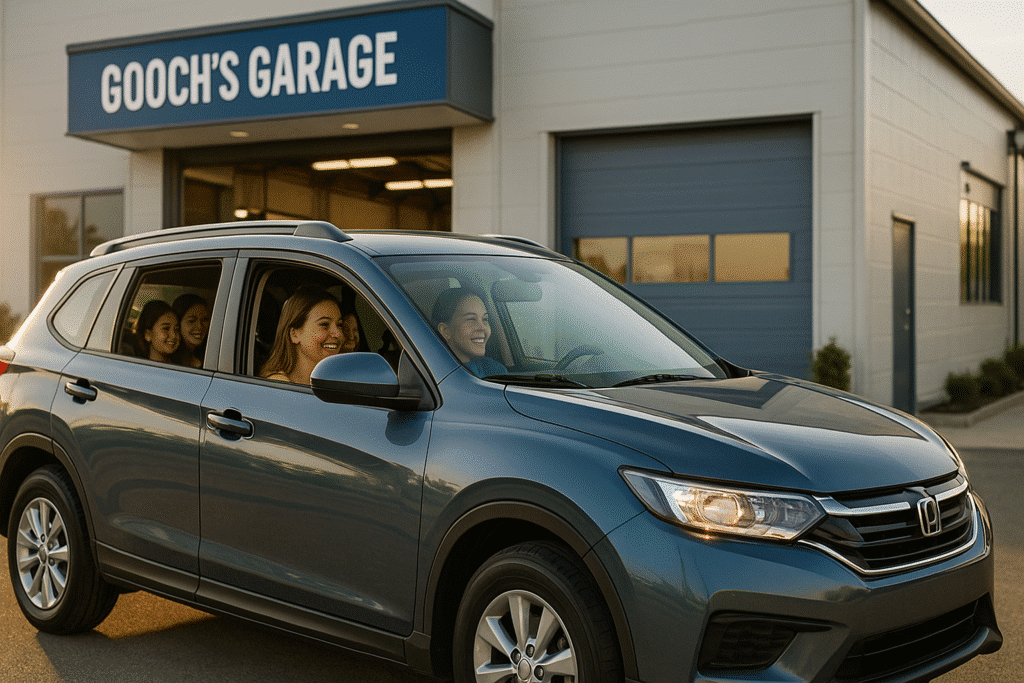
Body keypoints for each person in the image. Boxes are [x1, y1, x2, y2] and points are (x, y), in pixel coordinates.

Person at [260, 285, 344, 385]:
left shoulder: (336, 380)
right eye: (324, 324)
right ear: (294, 334)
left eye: (340, 325)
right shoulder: (279, 386)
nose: (338, 334)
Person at [431, 287, 507, 378]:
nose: (482, 327)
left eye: (485, 319)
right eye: (471, 319)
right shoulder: (434, 375)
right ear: (445, 331)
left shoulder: (496, 370)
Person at [172, 293, 211, 368]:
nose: (200, 326)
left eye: (205, 320)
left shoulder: (211, 353)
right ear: (178, 323)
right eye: (191, 321)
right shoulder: (170, 361)